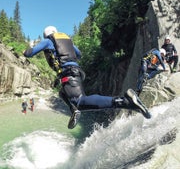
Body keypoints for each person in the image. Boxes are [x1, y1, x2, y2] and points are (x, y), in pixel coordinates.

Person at [23, 26, 151, 129]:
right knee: (62, 92)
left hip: (68, 73)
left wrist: (25, 51)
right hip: (76, 71)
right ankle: (74, 110)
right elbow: (79, 54)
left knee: (80, 101)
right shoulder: (67, 41)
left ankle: (125, 101)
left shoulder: (48, 41)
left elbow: (30, 53)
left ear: (47, 34)